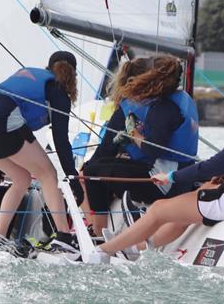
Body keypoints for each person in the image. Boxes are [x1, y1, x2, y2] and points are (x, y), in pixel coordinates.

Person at [90, 83, 224, 263]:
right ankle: (138, 248)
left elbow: (207, 168)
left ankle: (104, 250)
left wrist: (169, 177)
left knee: (159, 209)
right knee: (183, 212)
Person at [0, 51, 83, 252]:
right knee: (48, 174)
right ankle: (65, 236)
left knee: (21, 179)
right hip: (1, 118)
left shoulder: (30, 74)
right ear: (73, 76)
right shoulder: (58, 92)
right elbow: (61, 140)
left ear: (48, 67)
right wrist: (73, 176)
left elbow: (2, 114)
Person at [81, 55, 199, 231]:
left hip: (164, 185)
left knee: (90, 171)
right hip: (181, 178)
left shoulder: (161, 108)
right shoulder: (180, 100)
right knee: (100, 166)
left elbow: (152, 149)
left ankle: (97, 232)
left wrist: (133, 133)